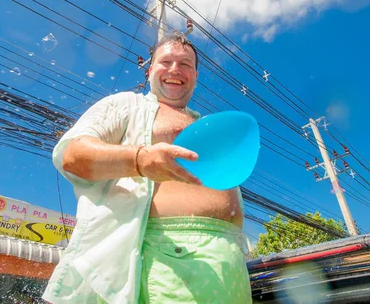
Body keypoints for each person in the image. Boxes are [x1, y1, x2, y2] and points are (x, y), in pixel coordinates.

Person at [43, 33, 252, 304]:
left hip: (230, 265)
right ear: (151, 70)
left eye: (185, 64)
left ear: (195, 76)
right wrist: (139, 160)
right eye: (166, 61)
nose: (175, 69)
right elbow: (72, 155)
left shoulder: (209, 124)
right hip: (163, 261)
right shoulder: (126, 105)